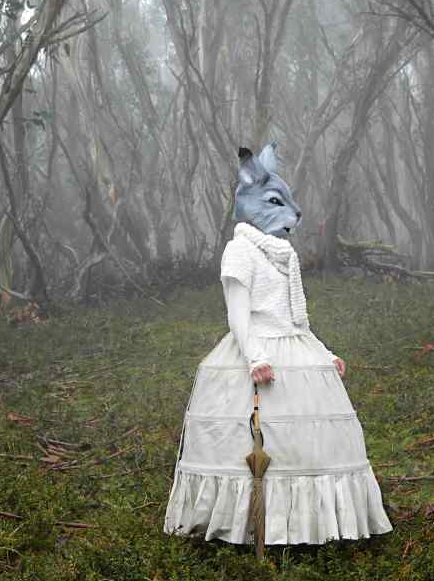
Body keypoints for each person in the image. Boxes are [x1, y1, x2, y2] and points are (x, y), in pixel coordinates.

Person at [164, 143, 392, 546]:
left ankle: (306, 525)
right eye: (274, 202)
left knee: (306, 442)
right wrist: (255, 357)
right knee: (256, 442)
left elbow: (296, 317)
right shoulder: (239, 252)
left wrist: (323, 353)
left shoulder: (284, 254)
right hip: (257, 349)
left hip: (293, 345)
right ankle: (248, 524)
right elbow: (238, 315)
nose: (294, 215)